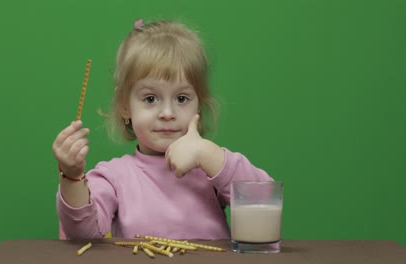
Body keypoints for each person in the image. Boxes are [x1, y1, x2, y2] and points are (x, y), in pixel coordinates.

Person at [52, 19, 273, 240]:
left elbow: (265, 200)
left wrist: (209, 154)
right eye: (150, 98)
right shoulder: (114, 176)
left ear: (199, 104)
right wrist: (72, 176)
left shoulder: (211, 167)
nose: (167, 112)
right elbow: (84, 234)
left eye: (182, 98)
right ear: (125, 106)